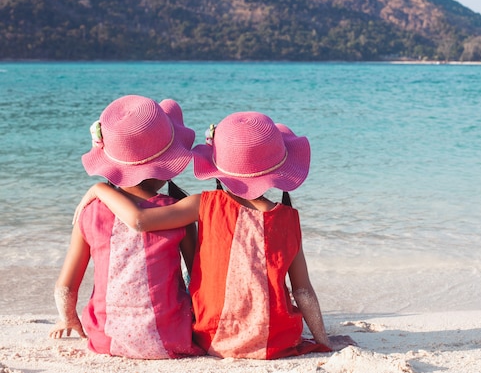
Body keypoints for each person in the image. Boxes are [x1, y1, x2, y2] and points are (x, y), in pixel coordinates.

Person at [75, 111, 356, 359]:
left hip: (211, 340)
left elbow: (141, 220)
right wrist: (323, 341)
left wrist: (100, 190)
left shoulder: (203, 204)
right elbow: (303, 292)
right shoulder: (289, 220)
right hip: (276, 342)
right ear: (277, 171)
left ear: (218, 168)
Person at [49, 95, 204, 359]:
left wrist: (68, 319)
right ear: (166, 164)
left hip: (104, 339)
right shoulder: (177, 212)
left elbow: (65, 287)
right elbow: (197, 280)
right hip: (171, 338)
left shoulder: (90, 212)